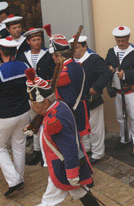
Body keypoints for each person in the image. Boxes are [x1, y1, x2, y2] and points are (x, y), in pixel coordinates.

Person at [25, 69, 99, 206]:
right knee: (81, 192)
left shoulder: (55, 121)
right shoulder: (58, 106)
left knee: (49, 202)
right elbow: (44, 117)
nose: (32, 108)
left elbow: (69, 148)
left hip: (62, 166)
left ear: (45, 103)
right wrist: (33, 127)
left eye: (34, 104)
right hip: (65, 164)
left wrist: (71, 173)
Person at [0, 36, 30, 197]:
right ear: (15, 51)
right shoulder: (24, 66)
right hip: (23, 111)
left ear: (1, 52)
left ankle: (14, 179)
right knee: (19, 144)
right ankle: (20, 177)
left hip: (4, 115)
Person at [70, 35, 112, 164]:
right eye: (73, 48)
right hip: (78, 101)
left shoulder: (94, 59)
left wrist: (96, 87)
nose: (75, 51)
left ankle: (98, 153)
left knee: (95, 127)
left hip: (92, 99)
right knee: (83, 125)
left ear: (85, 47)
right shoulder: (72, 62)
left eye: (78, 48)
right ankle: (86, 147)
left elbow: (106, 73)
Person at [18, 27, 56, 166]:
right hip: (30, 94)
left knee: (45, 120)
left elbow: (52, 73)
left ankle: (47, 147)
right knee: (34, 121)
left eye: (39, 39)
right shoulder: (22, 56)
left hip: (45, 94)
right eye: (33, 40)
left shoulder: (47, 54)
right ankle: (36, 150)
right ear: (28, 41)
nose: (37, 42)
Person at [106, 25, 134, 147]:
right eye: (118, 41)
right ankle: (125, 138)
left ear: (128, 38)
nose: (121, 43)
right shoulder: (111, 52)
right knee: (120, 116)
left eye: (123, 40)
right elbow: (106, 64)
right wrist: (109, 68)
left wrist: (125, 74)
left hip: (131, 91)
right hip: (118, 91)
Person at [50, 34, 90, 137]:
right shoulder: (76, 65)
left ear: (60, 56)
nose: (52, 57)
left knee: (73, 144)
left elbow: (68, 99)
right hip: (79, 109)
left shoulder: (64, 73)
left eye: (54, 55)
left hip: (71, 113)